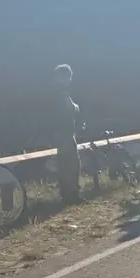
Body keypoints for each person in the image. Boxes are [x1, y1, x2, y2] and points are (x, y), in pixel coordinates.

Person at [51, 64, 82, 203]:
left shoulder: (61, 92)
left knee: (69, 164)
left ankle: (69, 193)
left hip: (67, 134)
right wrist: (75, 108)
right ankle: (71, 194)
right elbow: (66, 110)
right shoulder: (57, 93)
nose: (69, 80)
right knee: (70, 164)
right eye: (68, 77)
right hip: (64, 135)